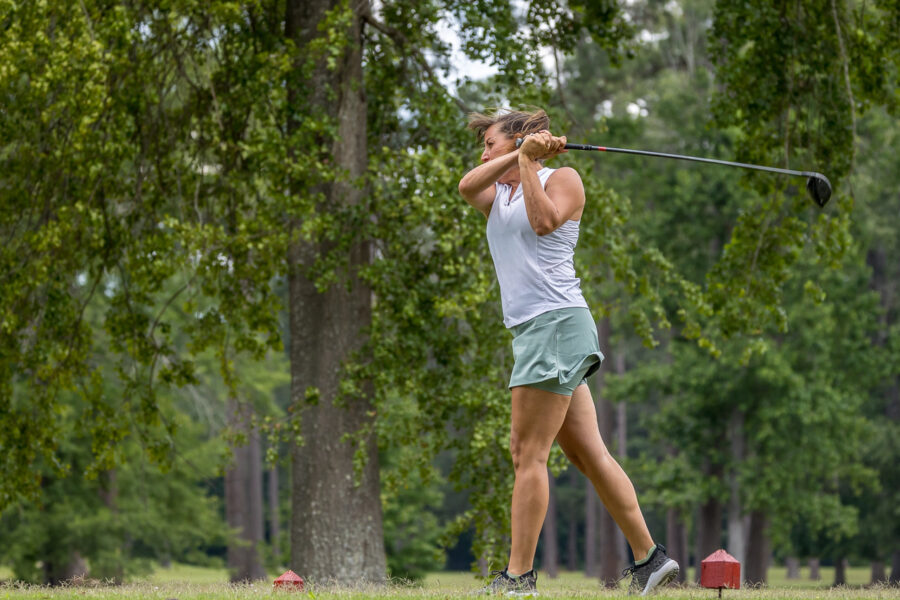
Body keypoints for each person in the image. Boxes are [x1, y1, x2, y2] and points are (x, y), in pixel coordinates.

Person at [457, 108, 679, 597]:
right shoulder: (501, 193)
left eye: (490, 143)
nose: (484, 152)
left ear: (517, 138)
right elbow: (467, 186)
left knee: (526, 453)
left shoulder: (564, 179)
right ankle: (651, 560)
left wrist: (533, 163)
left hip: (554, 325)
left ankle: (518, 578)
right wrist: (519, 156)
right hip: (540, 331)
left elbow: (543, 224)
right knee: (587, 454)